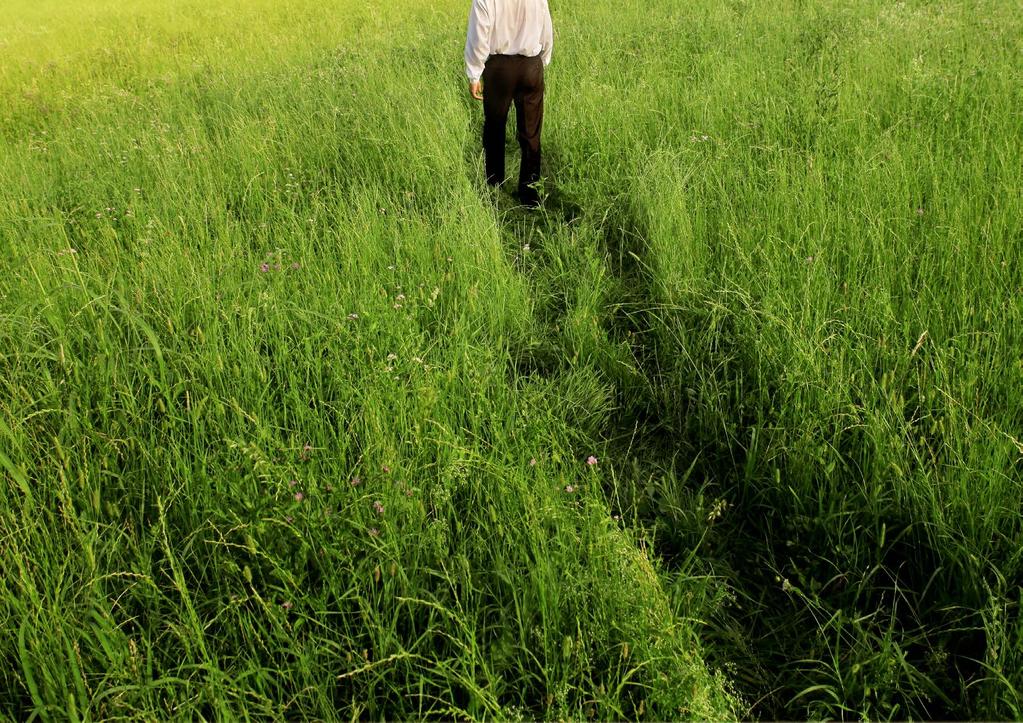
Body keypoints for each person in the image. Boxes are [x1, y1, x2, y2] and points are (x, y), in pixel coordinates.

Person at [464, 0, 554, 207]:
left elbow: (479, 36)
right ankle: (530, 195)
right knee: (531, 133)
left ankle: (494, 186)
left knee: (495, 128)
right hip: (532, 66)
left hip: (499, 69)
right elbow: (546, 29)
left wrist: (474, 74)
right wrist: (542, 61)